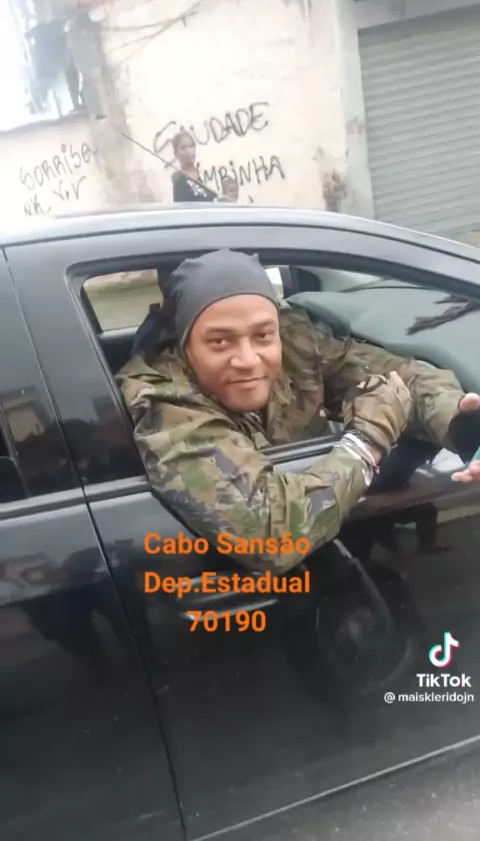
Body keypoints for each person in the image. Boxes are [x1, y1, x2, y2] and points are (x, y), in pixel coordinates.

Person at [117, 250, 480, 575]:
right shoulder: (165, 399)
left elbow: (402, 377)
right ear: (186, 348)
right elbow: (268, 534)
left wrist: (462, 426)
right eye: (220, 341)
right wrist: (367, 440)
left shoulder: (294, 343)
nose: (247, 359)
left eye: (262, 336)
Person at [171, 131, 218, 203]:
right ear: (176, 154)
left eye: (191, 146)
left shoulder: (204, 174)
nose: (188, 151)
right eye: (183, 147)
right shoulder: (180, 183)